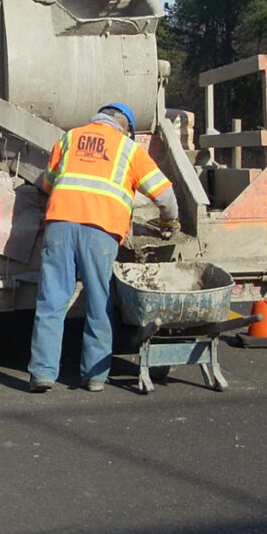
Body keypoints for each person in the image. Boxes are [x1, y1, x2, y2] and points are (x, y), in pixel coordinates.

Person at [28, 102, 179, 393]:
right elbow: (165, 195)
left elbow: (47, 183)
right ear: (126, 128)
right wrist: (169, 222)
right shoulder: (129, 149)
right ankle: (95, 376)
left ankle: (42, 374)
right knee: (98, 303)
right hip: (101, 230)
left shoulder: (69, 138)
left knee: (51, 302)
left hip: (59, 225)